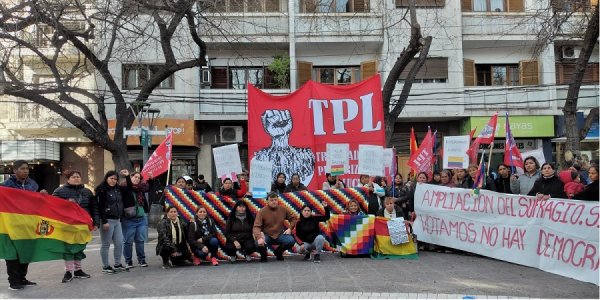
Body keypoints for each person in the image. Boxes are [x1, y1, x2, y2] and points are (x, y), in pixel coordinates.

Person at [2, 160, 46, 290]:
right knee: (13, 254)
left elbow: (36, 204)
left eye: (27, 168)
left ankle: (22, 278)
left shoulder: (33, 184)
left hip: (28, 225)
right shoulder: (5, 186)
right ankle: (14, 281)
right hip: (11, 226)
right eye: (22, 168)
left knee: (25, 252)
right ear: (15, 170)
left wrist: (42, 195)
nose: (26, 170)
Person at [52, 170, 98, 283]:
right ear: (68, 179)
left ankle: (78, 270)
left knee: (80, 247)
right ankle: (68, 271)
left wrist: (96, 222)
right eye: (73, 177)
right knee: (68, 248)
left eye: (78, 176)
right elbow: (52, 207)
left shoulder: (87, 192)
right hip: (67, 226)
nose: (76, 178)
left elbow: (94, 208)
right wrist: (67, 203)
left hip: (83, 226)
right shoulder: (59, 191)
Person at [96, 170, 126, 274]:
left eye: (115, 179)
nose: (113, 181)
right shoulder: (101, 189)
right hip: (107, 220)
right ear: (106, 178)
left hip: (117, 220)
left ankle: (117, 264)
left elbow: (129, 189)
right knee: (106, 244)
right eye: (111, 178)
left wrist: (127, 177)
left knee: (119, 242)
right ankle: (105, 266)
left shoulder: (118, 189)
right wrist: (104, 221)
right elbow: (100, 207)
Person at [253, 192, 298, 262]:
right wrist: (259, 237)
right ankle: (264, 255)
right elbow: (256, 227)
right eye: (271, 200)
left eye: (275, 200)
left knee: (290, 241)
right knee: (258, 243)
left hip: (280, 235)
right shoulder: (262, 212)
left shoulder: (283, 209)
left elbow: (293, 219)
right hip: (266, 235)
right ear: (267, 201)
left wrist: (290, 228)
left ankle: (278, 252)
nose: (274, 202)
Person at [121, 171, 149, 269]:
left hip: (141, 218)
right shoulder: (125, 188)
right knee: (128, 241)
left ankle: (142, 260)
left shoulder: (140, 189)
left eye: (139, 177)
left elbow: (148, 187)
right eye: (135, 177)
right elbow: (129, 186)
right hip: (128, 219)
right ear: (130, 177)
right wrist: (127, 177)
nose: (137, 179)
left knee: (140, 240)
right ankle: (128, 261)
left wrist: (151, 180)